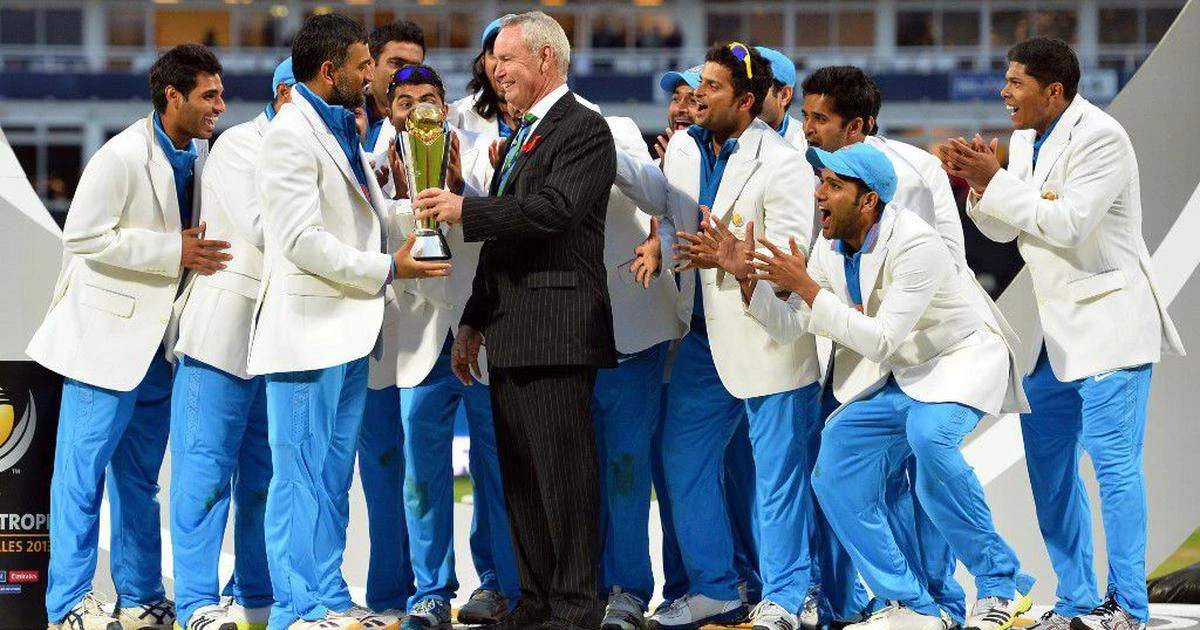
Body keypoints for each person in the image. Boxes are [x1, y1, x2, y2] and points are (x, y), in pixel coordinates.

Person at [713, 142, 1034, 630]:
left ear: (869, 201)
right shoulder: (829, 247)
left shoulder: (915, 242)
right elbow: (792, 327)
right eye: (820, 182)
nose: (819, 193)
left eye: (834, 186)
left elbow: (881, 339)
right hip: (907, 373)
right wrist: (748, 284)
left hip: (962, 360)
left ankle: (1001, 586)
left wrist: (807, 288)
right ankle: (910, 604)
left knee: (930, 440)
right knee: (834, 466)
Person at [945, 37, 1185, 630]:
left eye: (1015, 82)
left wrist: (998, 180)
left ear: (1054, 90)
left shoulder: (1103, 138)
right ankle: (1076, 600)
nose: (1004, 93)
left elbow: (1069, 224)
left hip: (1110, 329)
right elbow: (1006, 232)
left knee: (1115, 472)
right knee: (1048, 471)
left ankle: (1126, 606)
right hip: (1051, 339)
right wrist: (982, 186)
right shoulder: (1027, 141)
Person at [412, 12, 617, 630]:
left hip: (558, 330)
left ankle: (577, 606)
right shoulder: (525, 134)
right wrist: (474, 320)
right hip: (511, 328)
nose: (495, 71)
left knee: (564, 479)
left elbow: (554, 211)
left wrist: (467, 208)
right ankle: (534, 601)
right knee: (522, 481)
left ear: (546, 60)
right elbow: (504, 244)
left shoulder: (584, 127)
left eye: (507, 59)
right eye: (494, 62)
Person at [247, 14, 449, 630]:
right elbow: (301, 241)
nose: (373, 77)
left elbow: (362, 217)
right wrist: (391, 267)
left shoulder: (339, 129)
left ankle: (328, 597)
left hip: (347, 334)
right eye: (365, 66)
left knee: (331, 480)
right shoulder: (290, 134)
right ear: (330, 71)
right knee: (299, 478)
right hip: (308, 337)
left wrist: (423, 205)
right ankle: (295, 607)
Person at [27, 43, 228, 630]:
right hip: (105, 346)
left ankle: (140, 598)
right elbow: (83, 238)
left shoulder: (203, 158)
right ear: (173, 96)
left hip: (162, 350)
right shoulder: (120, 155)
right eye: (209, 95)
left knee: (140, 484)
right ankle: (66, 606)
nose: (220, 104)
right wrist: (174, 251)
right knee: (81, 481)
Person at [622, 42, 819, 630]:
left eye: (711, 86)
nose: (697, 95)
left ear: (747, 100)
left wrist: (741, 264)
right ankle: (714, 589)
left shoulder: (783, 165)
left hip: (769, 336)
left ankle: (787, 596)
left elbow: (792, 260)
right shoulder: (684, 147)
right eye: (697, 84)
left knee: (779, 478)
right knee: (681, 457)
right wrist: (658, 236)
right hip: (705, 337)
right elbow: (665, 204)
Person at [799, 64, 970, 629]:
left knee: (916, 485)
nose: (808, 128)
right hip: (840, 353)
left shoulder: (917, 171)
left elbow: (949, 261)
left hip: (910, 354)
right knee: (846, 482)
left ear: (860, 125)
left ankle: (937, 602)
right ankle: (869, 604)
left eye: (820, 119)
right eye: (806, 116)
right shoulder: (812, 171)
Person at [361, 63, 519, 630]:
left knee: (496, 464)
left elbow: (497, 223)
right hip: (418, 338)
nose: (417, 110)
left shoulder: (477, 151)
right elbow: (376, 243)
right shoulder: (371, 165)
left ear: (445, 101)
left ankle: (501, 585)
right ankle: (431, 591)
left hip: (480, 330)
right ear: (388, 106)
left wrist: (461, 190)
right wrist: (407, 199)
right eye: (405, 101)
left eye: (429, 98)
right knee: (421, 473)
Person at [167, 57, 296, 630]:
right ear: (290, 93)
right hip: (219, 336)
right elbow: (271, 232)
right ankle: (196, 603)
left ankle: (254, 598)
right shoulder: (240, 145)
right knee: (204, 474)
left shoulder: (319, 147)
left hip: (276, 340)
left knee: (263, 479)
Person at [754, 46, 806, 151]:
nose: (745, 96)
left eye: (756, 87)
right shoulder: (717, 139)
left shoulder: (808, 147)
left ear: (784, 95)